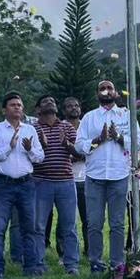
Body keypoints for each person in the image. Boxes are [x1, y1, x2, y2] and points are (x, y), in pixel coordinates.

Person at [75, 81, 134, 273]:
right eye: (102, 88)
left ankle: (117, 264)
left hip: (119, 175)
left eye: (110, 88)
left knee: (117, 223)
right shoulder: (89, 118)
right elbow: (79, 145)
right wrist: (98, 140)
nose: (106, 91)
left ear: (116, 93)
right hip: (95, 176)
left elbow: (138, 142)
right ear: (97, 94)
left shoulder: (126, 115)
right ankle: (96, 263)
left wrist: (118, 138)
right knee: (94, 223)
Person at [0, 92, 45, 279]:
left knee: (29, 227)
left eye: (19, 105)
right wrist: (8, 147)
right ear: (5, 109)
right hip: (3, 184)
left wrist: (29, 150)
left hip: (26, 184)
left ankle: (31, 267)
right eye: (13, 105)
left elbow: (40, 157)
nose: (17, 107)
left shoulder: (30, 130)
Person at [31, 97, 80, 275]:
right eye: (44, 102)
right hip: (41, 182)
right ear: (38, 110)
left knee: (69, 226)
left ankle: (72, 264)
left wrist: (66, 144)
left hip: (66, 182)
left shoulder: (67, 127)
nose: (50, 102)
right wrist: (40, 146)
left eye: (52, 101)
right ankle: (38, 264)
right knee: (38, 225)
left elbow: (79, 153)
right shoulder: (33, 128)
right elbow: (29, 155)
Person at [61, 97, 89, 257]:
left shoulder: (87, 125)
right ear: (64, 110)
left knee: (88, 219)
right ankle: (64, 251)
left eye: (77, 105)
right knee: (67, 219)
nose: (74, 108)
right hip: (66, 178)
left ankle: (89, 250)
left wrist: (85, 154)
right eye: (70, 106)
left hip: (86, 178)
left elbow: (94, 145)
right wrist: (72, 156)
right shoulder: (61, 127)